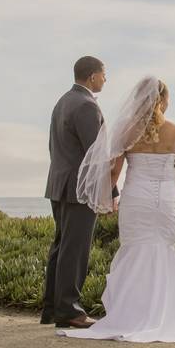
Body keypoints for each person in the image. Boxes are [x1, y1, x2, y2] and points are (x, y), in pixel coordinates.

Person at [58, 76, 175, 342]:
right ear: (163, 101)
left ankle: (131, 314)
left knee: (134, 252)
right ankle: (165, 313)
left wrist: (105, 199)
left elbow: (114, 171)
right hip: (166, 201)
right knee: (164, 251)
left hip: (135, 199)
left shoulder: (126, 131)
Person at [41, 55, 109, 328]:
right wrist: (111, 191)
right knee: (75, 249)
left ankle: (52, 309)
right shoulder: (86, 106)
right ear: (92, 76)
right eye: (104, 74)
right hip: (79, 189)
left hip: (59, 184)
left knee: (61, 247)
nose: (105, 79)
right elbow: (96, 155)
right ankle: (69, 310)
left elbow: (54, 147)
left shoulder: (62, 102)